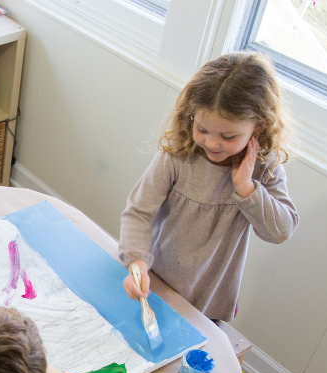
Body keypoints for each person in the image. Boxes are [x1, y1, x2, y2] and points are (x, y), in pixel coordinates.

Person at [118, 51, 299, 322]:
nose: (212, 143)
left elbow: (281, 230)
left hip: (210, 300)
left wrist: (247, 189)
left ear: (259, 127)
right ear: (191, 115)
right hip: (157, 284)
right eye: (202, 129)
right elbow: (138, 212)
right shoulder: (178, 154)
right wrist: (136, 263)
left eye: (228, 136)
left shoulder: (264, 167)